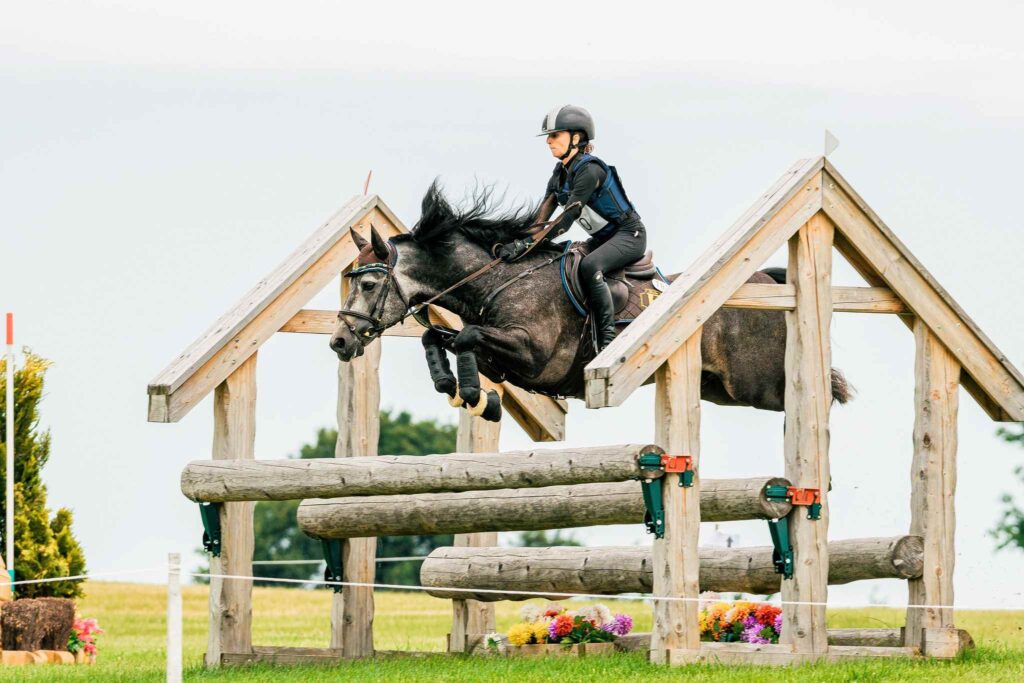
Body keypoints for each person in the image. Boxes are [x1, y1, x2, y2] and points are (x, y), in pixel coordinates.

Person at [495, 105, 647, 351]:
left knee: (590, 265)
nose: (548, 141)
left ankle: (608, 340)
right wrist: (518, 241)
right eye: (548, 136)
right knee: (562, 258)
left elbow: (566, 220)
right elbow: (540, 221)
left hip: (629, 235)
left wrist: (528, 244)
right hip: (603, 239)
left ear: (575, 137)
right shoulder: (559, 174)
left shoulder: (590, 170)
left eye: (555, 135)